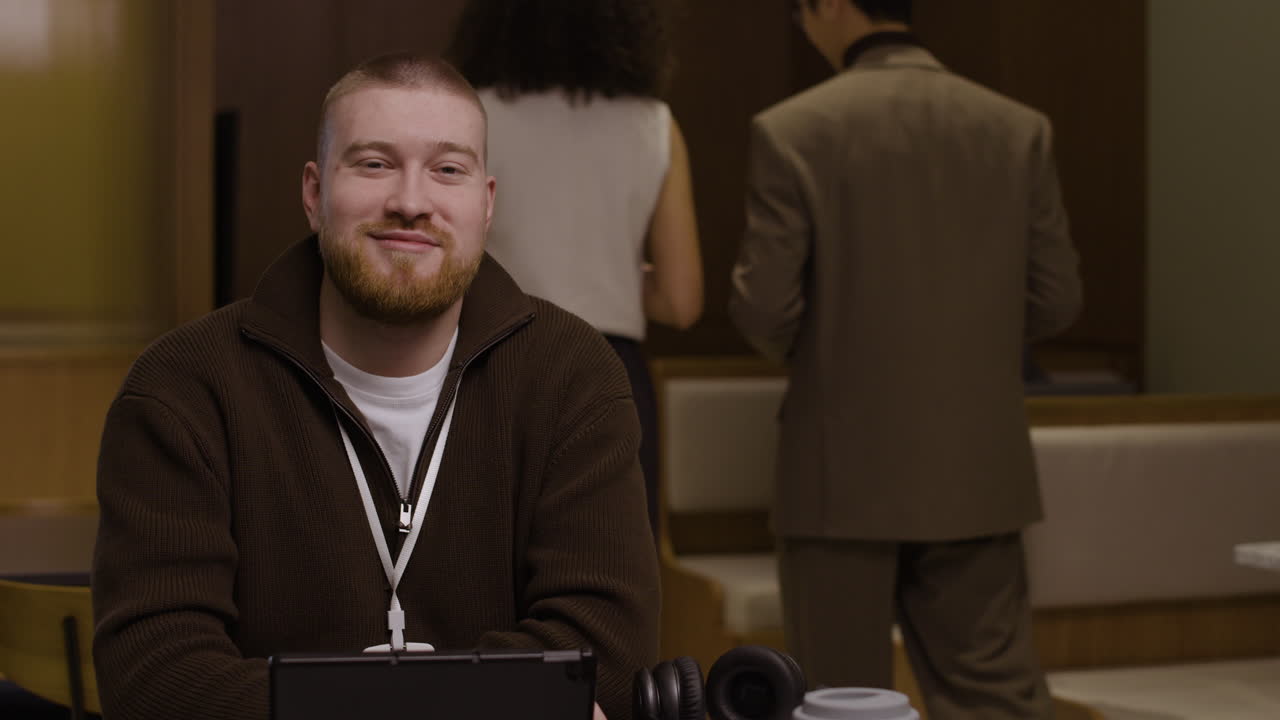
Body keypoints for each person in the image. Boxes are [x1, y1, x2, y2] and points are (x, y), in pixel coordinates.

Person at [91, 53, 659, 720]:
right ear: (313, 193)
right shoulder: (186, 388)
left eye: (448, 169)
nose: (410, 202)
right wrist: (478, 703)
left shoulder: (572, 375)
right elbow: (156, 680)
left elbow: (611, 660)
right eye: (373, 163)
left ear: (486, 202)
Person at [728, 1, 1081, 718]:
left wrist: (837, 353)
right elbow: (1057, 299)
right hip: (978, 469)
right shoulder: (1016, 129)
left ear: (830, 6)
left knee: (837, 702)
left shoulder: (794, 130)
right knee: (998, 699)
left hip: (838, 473)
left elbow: (763, 310)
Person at [450, 0, 704, 540]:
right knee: (610, 578)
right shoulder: (654, 124)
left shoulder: (472, 117)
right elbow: (681, 301)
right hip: (612, 372)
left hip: (496, 363)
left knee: (486, 577)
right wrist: (610, 274)